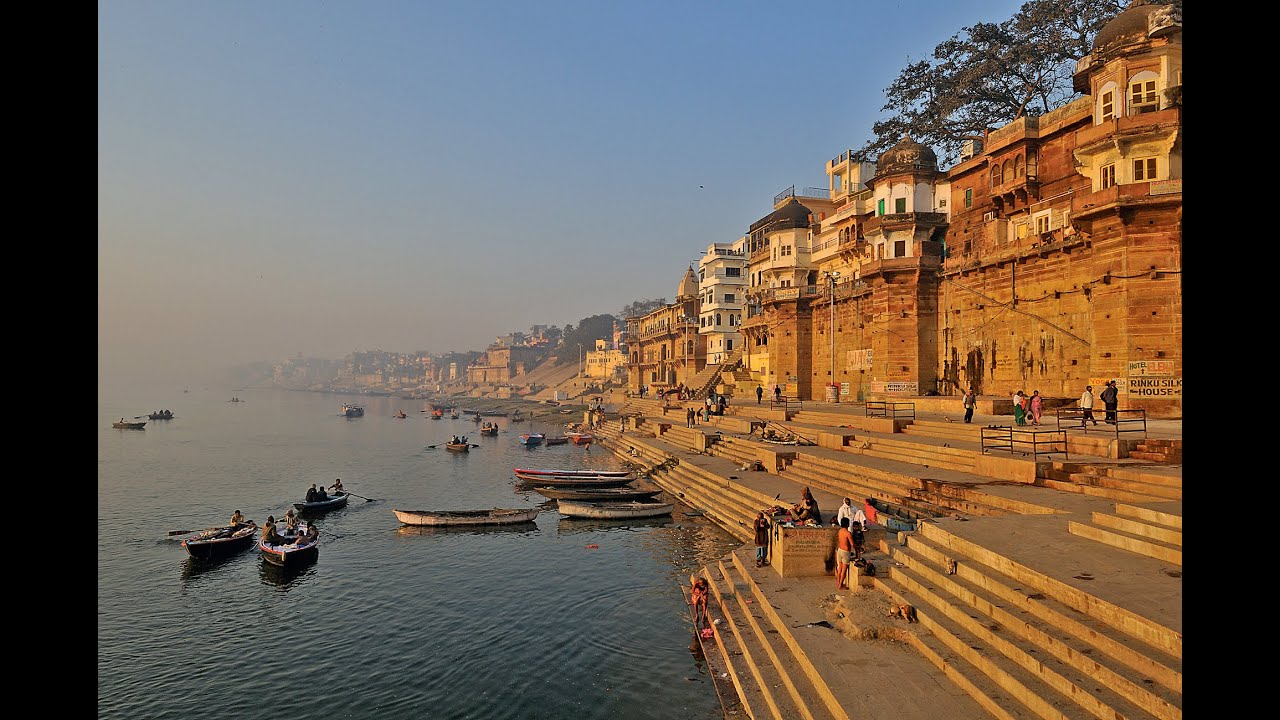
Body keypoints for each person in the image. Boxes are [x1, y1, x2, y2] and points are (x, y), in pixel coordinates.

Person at [835, 517, 855, 590]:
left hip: (840, 550)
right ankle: (840, 585)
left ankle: (838, 583)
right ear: (847, 524)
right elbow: (852, 544)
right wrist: (857, 548)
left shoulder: (840, 531)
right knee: (844, 570)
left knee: (839, 568)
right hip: (845, 552)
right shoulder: (848, 533)